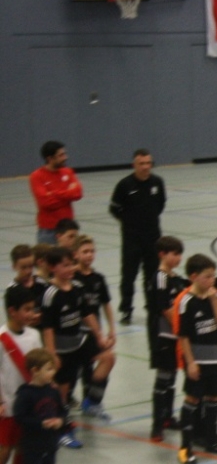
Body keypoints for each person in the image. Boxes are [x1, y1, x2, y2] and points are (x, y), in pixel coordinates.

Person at [40, 247, 115, 446]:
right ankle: (61, 430)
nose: (70, 269)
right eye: (65, 265)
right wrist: (52, 354)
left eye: (71, 264)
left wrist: (99, 336)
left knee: (108, 357)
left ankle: (92, 401)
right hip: (62, 349)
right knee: (62, 392)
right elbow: (47, 328)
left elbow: (87, 314)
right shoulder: (50, 294)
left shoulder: (77, 287)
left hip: (79, 342)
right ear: (53, 268)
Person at [174, 254, 217, 464]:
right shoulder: (186, 302)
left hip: (216, 358)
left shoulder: (214, 298)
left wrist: (213, 299)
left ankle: (211, 440)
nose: (212, 280)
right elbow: (183, 336)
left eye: (213, 276)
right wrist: (190, 363)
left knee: (214, 397)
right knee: (192, 399)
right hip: (198, 360)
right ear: (194, 277)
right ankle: (185, 447)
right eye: (207, 277)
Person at [109, 149, 166, 326]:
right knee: (129, 275)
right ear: (134, 165)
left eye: (148, 163)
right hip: (132, 239)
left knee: (152, 274)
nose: (145, 167)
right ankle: (126, 309)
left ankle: (152, 306)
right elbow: (114, 208)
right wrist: (129, 222)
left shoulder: (157, 182)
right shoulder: (125, 185)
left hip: (153, 238)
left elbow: (160, 204)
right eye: (141, 164)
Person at [14, 348, 69, 464]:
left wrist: (60, 421)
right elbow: (20, 417)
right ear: (35, 371)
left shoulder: (53, 391)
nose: (52, 373)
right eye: (48, 369)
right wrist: (40, 423)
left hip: (49, 441)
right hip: (32, 442)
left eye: (52, 369)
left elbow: (62, 411)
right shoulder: (26, 393)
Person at [0, 286, 43, 464]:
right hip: (7, 405)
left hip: (28, 406)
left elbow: (40, 366)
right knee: (4, 450)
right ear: (12, 311)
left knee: (23, 449)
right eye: (26, 309)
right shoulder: (1, 338)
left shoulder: (34, 335)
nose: (31, 313)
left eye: (32, 308)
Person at [73, 235, 116, 420]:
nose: (89, 255)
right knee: (77, 370)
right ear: (75, 254)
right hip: (76, 333)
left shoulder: (98, 278)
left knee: (108, 358)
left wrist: (112, 329)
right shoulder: (72, 277)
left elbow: (106, 304)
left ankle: (93, 401)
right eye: (85, 252)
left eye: (92, 251)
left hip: (94, 333)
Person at [150, 236, 187, 441]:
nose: (178, 258)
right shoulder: (160, 278)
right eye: (174, 254)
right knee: (162, 379)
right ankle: (156, 426)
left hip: (175, 336)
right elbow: (164, 308)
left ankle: (167, 417)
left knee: (172, 378)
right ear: (162, 254)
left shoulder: (176, 278)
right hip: (164, 335)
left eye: (180, 254)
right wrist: (181, 329)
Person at [28, 141, 82, 245]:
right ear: (50, 158)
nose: (65, 157)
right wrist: (68, 194)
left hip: (68, 229)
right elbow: (46, 202)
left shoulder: (68, 172)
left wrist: (54, 193)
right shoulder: (36, 176)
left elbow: (78, 193)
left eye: (65, 154)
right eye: (61, 155)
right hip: (48, 231)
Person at [8, 244, 47, 325]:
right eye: (23, 267)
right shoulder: (12, 291)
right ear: (14, 267)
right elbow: (12, 321)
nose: (28, 271)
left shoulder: (42, 284)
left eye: (31, 266)